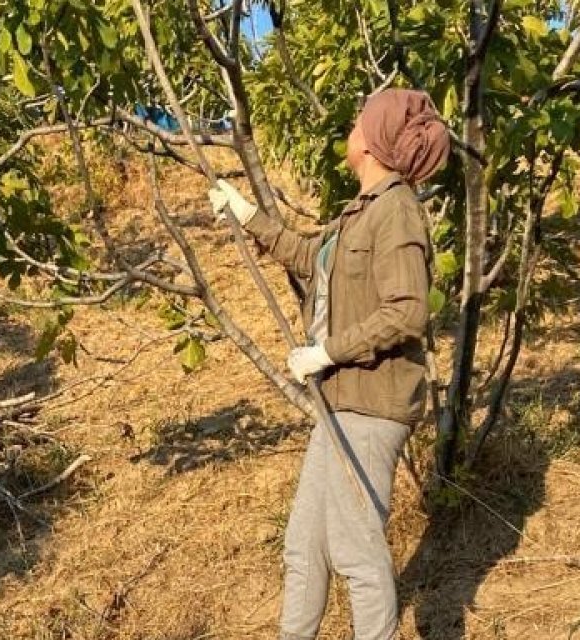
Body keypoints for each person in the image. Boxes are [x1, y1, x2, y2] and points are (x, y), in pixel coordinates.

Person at [208, 88, 449, 640]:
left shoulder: (397, 212)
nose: (351, 129)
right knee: (304, 546)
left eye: (358, 123)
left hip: (370, 405)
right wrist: (246, 215)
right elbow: (309, 260)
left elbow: (408, 312)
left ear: (373, 141)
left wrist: (328, 351)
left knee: (356, 551)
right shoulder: (359, 215)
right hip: (339, 405)